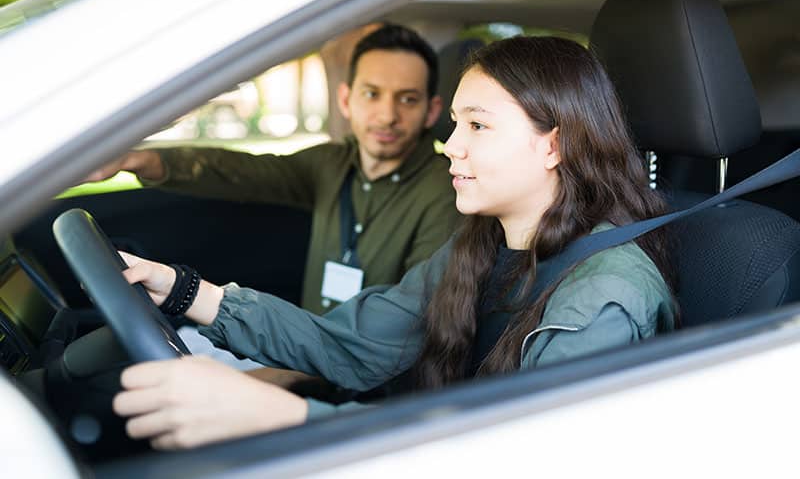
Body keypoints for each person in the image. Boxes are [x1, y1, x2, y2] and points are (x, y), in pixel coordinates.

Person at [112, 36, 678, 450]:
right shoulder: (480, 247)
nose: (450, 148)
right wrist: (185, 290)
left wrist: (283, 415)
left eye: (476, 127)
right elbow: (352, 344)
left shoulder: (603, 299)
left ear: (553, 146)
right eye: (453, 125)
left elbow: (508, 459)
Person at [87, 24, 460, 315]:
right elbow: (243, 171)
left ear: (431, 110)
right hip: (309, 355)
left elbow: (408, 319)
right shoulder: (333, 163)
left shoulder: (444, 191)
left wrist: (288, 373)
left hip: (367, 393)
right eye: (372, 94)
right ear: (346, 100)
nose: (387, 115)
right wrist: (138, 159)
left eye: (407, 99)